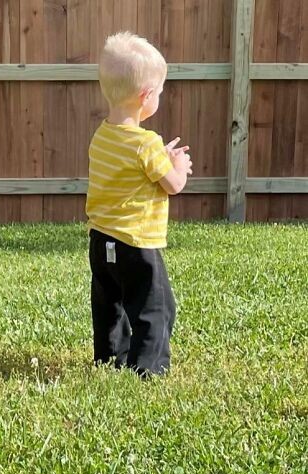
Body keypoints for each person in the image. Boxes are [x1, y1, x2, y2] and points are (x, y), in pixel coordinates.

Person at [86, 31, 193, 377]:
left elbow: (128, 172)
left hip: (101, 240)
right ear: (146, 97)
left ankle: (109, 358)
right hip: (136, 244)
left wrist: (159, 158)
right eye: (159, 92)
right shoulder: (147, 143)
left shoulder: (103, 135)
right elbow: (173, 185)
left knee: (110, 303)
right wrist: (178, 166)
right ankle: (148, 369)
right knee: (156, 307)